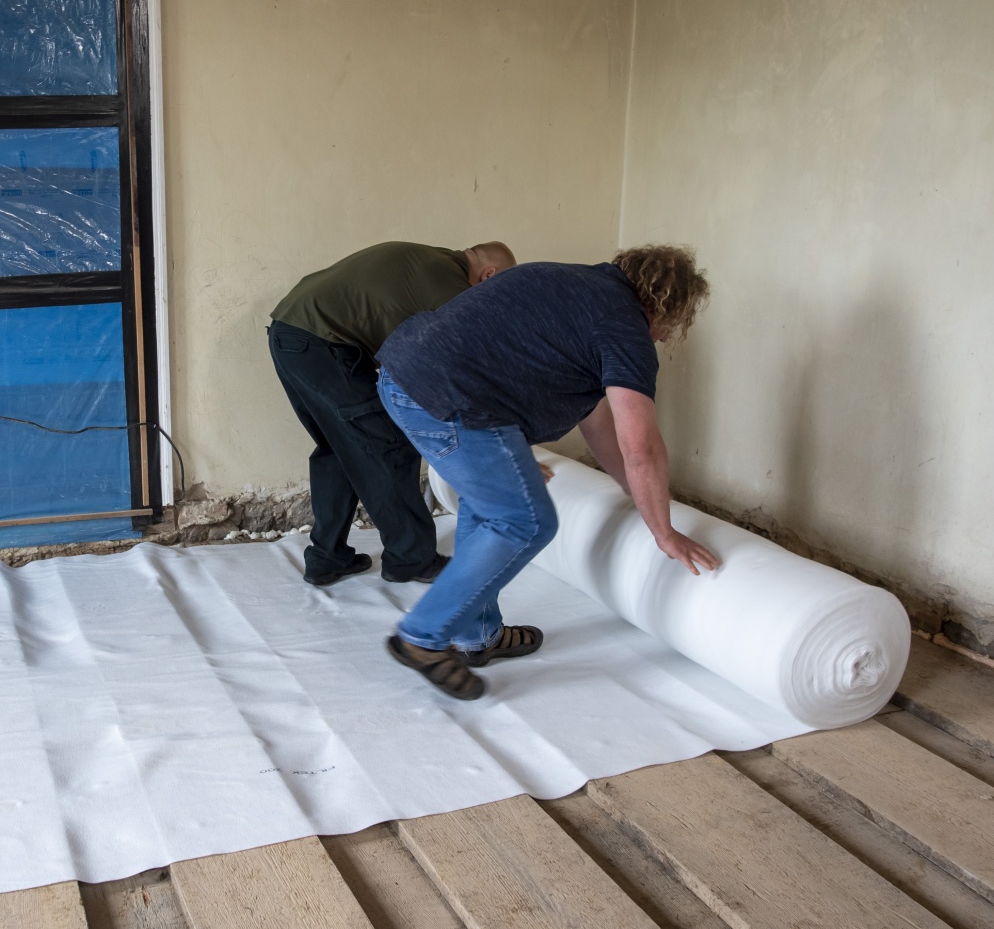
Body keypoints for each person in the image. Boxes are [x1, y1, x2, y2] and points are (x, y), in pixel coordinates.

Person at [373, 244, 718, 699]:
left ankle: (477, 636)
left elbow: (600, 426)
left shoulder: (572, 284)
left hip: (403, 375)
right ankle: (422, 636)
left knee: (489, 507)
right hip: (448, 397)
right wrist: (664, 532)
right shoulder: (625, 327)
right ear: (665, 306)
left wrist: (639, 498)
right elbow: (641, 447)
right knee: (526, 519)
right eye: (671, 327)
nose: (665, 338)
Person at [268, 240, 517, 587]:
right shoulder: (449, 283)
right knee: (390, 446)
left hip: (290, 335)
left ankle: (327, 558)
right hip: (322, 343)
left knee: (339, 450)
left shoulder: (430, 261)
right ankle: (411, 559)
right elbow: (466, 363)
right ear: (488, 275)